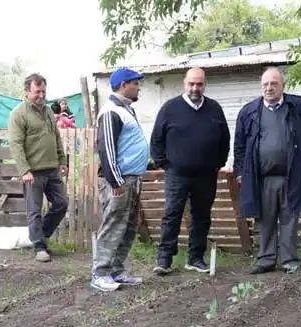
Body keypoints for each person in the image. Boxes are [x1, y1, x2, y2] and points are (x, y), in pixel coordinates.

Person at [233, 67, 301, 275]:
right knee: (264, 219)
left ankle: (289, 260)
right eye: (265, 84)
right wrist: (240, 170)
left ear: (283, 85)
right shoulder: (249, 111)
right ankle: (266, 259)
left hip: (291, 175)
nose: (269, 88)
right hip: (262, 177)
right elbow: (239, 144)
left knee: (289, 218)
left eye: (274, 84)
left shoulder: (299, 107)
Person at [150, 67, 230, 275]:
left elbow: (225, 140)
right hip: (177, 174)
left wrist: (217, 164)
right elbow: (156, 140)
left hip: (206, 174)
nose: (195, 88)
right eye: (191, 84)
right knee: (171, 215)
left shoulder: (214, 109)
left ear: (205, 84)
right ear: (184, 84)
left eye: (199, 84)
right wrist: (166, 164)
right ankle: (164, 259)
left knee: (202, 216)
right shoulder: (170, 108)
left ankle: (195, 258)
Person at [90, 68, 149, 292]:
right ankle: (100, 274)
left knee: (129, 226)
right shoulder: (111, 111)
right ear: (124, 84)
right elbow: (107, 149)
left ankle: (116, 271)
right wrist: (116, 182)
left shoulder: (126, 110)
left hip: (132, 179)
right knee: (114, 225)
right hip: (120, 181)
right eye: (136, 83)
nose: (138, 87)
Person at [8, 73, 68, 263]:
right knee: (33, 210)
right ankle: (39, 247)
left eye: (43, 91)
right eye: (37, 92)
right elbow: (15, 144)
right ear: (27, 91)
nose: (41, 95)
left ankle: (40, 235)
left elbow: (56, 137)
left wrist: (62, 159)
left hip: (52, 168)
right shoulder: (18, 114)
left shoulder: (49, 110)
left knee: (61, 203)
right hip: (32, 171)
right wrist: (24, 170)